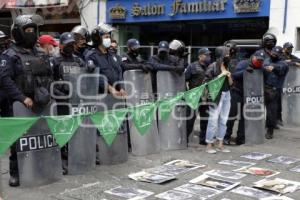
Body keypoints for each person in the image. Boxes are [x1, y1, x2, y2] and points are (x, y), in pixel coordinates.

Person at [0, 15, 53, 186]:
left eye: (33, 30)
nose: (32, 33)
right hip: (19, 105)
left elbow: (48, 75)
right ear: (18, 32)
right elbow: (5, 80)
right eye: (28, 30)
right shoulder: (10, 55)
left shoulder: (39, 53)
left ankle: (38, 167)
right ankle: (16, 172)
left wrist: (48, 93)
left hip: (40, 103)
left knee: (39, 136)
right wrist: (22, 98)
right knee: (19, 139)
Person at [224, 51, 265, 145]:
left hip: (248, 96)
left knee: (244, 118)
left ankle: (240, 138)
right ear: (253, 57)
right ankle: (226, 137)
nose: (259, 62)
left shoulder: (260, 67)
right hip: (237, 93)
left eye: (261, 61)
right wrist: (245, 71)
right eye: (258, 60)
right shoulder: (244, 63)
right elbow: (234, 75)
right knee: (232, 116)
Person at [204, 46, 233, 154]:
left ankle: (220, 143)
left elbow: (231, 84)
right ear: (221, 54)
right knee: (213, 120)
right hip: (216, 96)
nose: (228, 56)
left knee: (224, 120)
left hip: (227, 94)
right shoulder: (213, 66)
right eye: (227, 54)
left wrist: (229, 76)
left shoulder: (227, 65)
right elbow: (206, 83)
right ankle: (209, 144)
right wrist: (221, 75)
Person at [86, 23, 126, 97]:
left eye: (109, 37)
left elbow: (119, 72)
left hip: (117, 95)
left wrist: (122, 88)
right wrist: (110, 88)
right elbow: (95, 76)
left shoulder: (113, 55)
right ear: (98, 39)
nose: (109, 39)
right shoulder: (92, 56)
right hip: (101, 96)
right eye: (106, 37)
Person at [185, 47, 211, 145]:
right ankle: (185, 139)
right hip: (194, 97)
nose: (208, 56)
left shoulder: (210, 66)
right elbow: (185, 79)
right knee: (190, 119)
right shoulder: (192, 66)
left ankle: (203, 139)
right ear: (200, 56)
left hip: (206, 96)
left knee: (205, 119)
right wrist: (187, 93)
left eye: (209, 55)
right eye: (206, 55)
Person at [263, 46, 289, 139]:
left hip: (274, 89)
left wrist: (273, 67)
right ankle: (263, 126)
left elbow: (282, 68)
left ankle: (270, 130)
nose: (273, 55)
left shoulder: (283, 63)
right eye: (272, 53)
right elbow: (262, 66)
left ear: (280, 55)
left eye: (275, 54)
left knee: (271, 111)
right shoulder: (267, 60)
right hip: (263, 87)